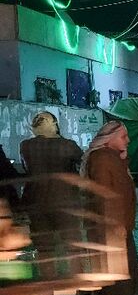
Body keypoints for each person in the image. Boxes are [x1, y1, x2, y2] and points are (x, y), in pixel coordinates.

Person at [80, 121, 138, 295]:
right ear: (109, 139)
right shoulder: (103, 159)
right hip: (112, 223)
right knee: (118, 262)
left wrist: (123, 158)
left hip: (108, 222)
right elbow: (105, 194)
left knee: (105, 262)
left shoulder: (107, 157)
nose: (128, 140)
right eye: (123, 136)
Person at [19, 111, 84, 278]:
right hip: (66, 202)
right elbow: (82, 165)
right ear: (54, 124)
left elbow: (28, 171)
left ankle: (51, 290)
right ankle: (77, 287)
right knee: (73, 247)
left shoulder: (26, 146)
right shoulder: (68, 145)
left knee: (45, 248)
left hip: (37, 203)